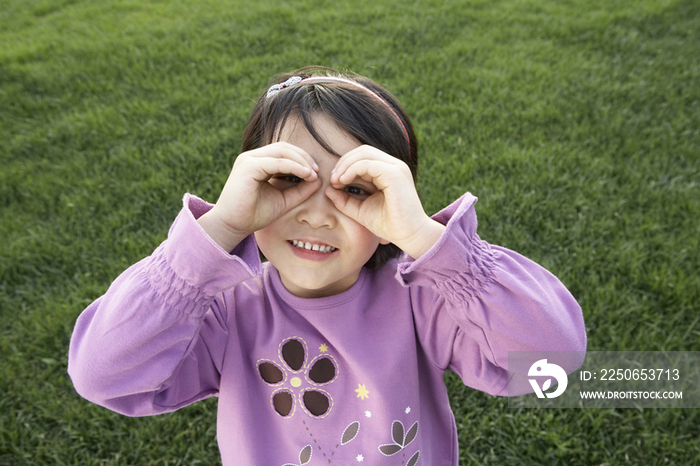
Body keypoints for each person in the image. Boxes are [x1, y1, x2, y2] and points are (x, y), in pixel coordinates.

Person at [68, 66, 586, 465]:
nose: (317, 214)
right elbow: (103, 374)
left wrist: (427, 241)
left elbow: (551, 360)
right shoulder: (227, 311)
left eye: (354, 189)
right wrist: (220, 229)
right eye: (290, 179)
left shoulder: (420, 299)